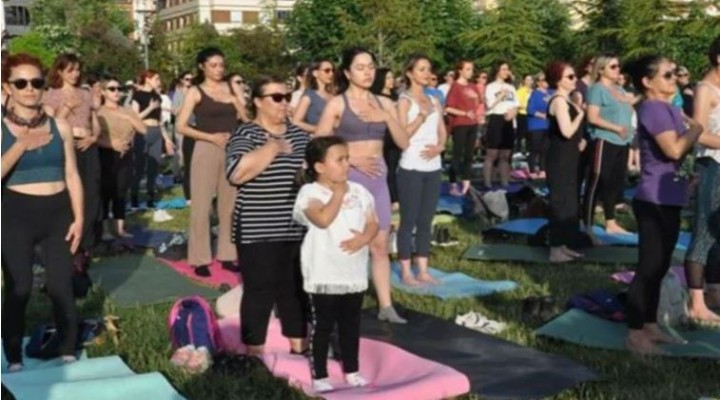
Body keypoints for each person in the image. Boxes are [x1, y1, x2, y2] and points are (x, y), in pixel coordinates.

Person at [2, 53, 84, 371]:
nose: (29, 89)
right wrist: (21, 144)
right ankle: (12, 356)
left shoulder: (60, 126)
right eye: (20, 83)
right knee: (19, 287)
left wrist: (78, 218)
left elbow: (73, 175)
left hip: (58, 212)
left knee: (61, 286)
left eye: (36, 82)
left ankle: (67, 349)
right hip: (16, 214)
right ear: (7, 87)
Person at [316, 47, 409, 324]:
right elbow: (318, 144)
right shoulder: (337, 104)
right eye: (360, 67)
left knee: (380, 245)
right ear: (347, 72)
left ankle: (385, 305)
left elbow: (404, 143)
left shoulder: (385, 103)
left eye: (371, 66)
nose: (368, 72)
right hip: (349, 181)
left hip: (378, 180)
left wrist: (388, 118)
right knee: (348, 244)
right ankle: (338, 305)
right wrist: (351, 158)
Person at [625, 55, 703, 354]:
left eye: (675, 73)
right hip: (653, 199)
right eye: (668, 75)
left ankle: (650, 326)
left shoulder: (669, 108)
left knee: (659, 268)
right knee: (648, 267)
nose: (675, 78)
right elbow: (673, 149)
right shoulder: (653, 108)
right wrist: (695, 131)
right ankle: (635, 334)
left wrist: (687, 174)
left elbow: (679, 156)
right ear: (648, 81)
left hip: (669, 196)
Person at [226, 76, 310, 355]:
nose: (284, 103)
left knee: (295, 290)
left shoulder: (299, 135)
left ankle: (300, 348)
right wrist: (272, 147)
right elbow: (236, 174)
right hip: (256, 227)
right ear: (259, 102)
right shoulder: (246, 134)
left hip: (294, 226)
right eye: (276, 97)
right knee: (259, 291)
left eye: (286, 97)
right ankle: (254, 354)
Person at [293, 136, 376, 392]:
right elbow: (322, 219)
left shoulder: (360, 191)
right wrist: (338, 193)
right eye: (339, 160)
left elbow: (373, 222)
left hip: (353, 272)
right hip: (324, 273)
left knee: (351, 324)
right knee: (323, 325)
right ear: (319, 167)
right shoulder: (311, 193)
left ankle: (352, 369)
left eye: (347, 158)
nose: (346, 164)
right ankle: (320, 374)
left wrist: (364, 237)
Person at [177, 48, 243, 277]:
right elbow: (181, 126)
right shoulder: (195, 92)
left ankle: (228, 254)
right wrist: (210, 137)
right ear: (202, 66)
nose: (219, 70)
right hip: (205, 148)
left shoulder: (231, 88)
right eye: (213, 65)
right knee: (202, 206)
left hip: (232, 148)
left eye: (221, 65)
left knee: (230, 206)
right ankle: (199, 258)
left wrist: (236, 98)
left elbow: (246, 118)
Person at [43, 53, 100, 270]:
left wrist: (93, 137)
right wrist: (66, 107)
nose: (75, 74)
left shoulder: (85, 93)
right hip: (66, 145)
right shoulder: (52, 94)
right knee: (70, 195)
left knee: (92, 193)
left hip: (87, 145)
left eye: (77, 70)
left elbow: (95, 120)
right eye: (70, 70)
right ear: (59, 72)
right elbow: (49, 123)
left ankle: (86, 245)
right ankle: (71, 247)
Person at [396, 55, 446, 285]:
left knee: (426, 220)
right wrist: (420, 117)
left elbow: (442, 130)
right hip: (411, 166)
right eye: (421, 69)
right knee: (409, 220)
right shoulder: (404, 101)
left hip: (433, 167)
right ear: (409, 73)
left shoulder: (434, 99)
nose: (427, 73)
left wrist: (440, 146)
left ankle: (423, 268)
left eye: (429, 69)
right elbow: (401, 136)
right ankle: (406, 270)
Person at [685, 36, 720, 327]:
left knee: (718, 232)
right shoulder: (705, 89)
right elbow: (699, 131)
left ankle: (714, 291)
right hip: (712, 164)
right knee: (704, 231)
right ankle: (696, 302)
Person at [583, 55, 635, 237]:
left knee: (614, 183)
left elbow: (630, 104)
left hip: (622, 141)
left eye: (618, 66)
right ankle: (587, 226)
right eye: (613, 66)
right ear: (601, 69)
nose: (617, 69)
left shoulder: (618, 88)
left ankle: (610, 222)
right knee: (597, 181)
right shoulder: (597, 89)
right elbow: (592, 117)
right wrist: (616, 128)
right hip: (605, 140)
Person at [96, 77, 147, 239]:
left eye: (119, 88)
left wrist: (128, 117)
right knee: (105, 192)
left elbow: (143, 129)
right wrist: (110, 144)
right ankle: (104, 229)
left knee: (121, 191)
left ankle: (119, 228)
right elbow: (93, 137)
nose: (116, 92)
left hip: (126, 155)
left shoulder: (127, 110)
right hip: (105, 155)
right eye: (112, 89)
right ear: (103, 92)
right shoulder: (98, 112)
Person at [545, 62, 586, 263]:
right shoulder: (559, 101)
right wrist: (580, 115)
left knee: (569, 200)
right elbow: (566, 131)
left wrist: (581, 140)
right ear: (558, 80)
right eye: (570, 77)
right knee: (559, 201)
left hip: (569, 156)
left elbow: (573, 134)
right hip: (559, 158)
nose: (574, 79)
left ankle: (563, 245)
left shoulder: (568, 101)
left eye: (574, 76)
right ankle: (554, 249)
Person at [129, 70, 174, 209]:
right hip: (143, 132)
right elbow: (134, 117)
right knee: (139, 167)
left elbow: (160, 120)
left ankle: (150, 197)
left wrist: (166, 139)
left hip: (156, 133)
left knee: (153, 168)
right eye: (156, 78)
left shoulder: (157, 97)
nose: (159, 81)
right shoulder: (138, 95)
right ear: (148, 79)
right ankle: (134, 197)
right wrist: (149, 108)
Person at [445, 60, 481, 196]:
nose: (470, 72)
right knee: (457, 154)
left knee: (469, 155)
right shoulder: (455, 86)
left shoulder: (473, 86)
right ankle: (453, 183)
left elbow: (478, 103)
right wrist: (464, 113)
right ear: (460, 71)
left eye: (471, 69)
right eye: (467, 69)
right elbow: (448, 107)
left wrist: (476, 100)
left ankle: (467, 182)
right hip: (460, 124)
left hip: (473, 123)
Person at [484, 61, 519, 189]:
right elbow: (489, 105)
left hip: (509, 121)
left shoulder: (511, 87)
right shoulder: (490, 87)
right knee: (492, 154)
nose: (506, 72)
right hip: (496, 119)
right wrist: (501, 96)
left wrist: (513, 113)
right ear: (497, 70)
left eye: (507, 69)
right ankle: (488, 182)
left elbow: (516, 104)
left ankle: (504, 182)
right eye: (504, 69)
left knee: (505, 154)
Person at [371, 67, 401, 211]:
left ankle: (395, 196)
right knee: (387, 167)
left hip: (396, 135)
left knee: (395, 167)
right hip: (384, 136)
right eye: (388, 77)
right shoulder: (376, 98)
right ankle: (392, 198)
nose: (391, 80)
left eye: (392, 77)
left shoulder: (397, 97)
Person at [292, 60, 335, 134]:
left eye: (333, 70)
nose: (331, 74)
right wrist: (318, 129)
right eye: (327, 70)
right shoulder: (309, 96)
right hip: (319, 141)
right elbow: (295, 122)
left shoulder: (333, 95)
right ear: (315, 73)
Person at [172, 71, 194, 203]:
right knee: (182, 155)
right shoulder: (179, 93)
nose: (189, 82)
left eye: (191, 80)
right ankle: (178, 176)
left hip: (194, 127)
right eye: (186, 79)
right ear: (181, 80)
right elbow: (175, 111)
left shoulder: (195, 91)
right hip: (182, 128)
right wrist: (186, 101)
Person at [526, 72, 552, 178]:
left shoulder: (551, 93)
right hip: (536, 125)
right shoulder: (535, 94)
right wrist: (543, 115)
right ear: (538, 82)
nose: (546, 82)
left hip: (548, 126)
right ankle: (532, 170)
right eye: (544, 80)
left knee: (545, 149)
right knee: (534, 149)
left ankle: (543, 169)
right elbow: (530, 109)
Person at [516, 74, 534, 156]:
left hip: (531, 115)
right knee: (520, 133)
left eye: (530, 80)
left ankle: (528, 150)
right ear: (524, 81)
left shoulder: (534, 91)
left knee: (529, 133)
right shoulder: (520, 91)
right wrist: (525, 106)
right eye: (527, 79)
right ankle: (518, 150)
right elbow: (518, 103)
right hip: (522, 113)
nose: (529, 81)